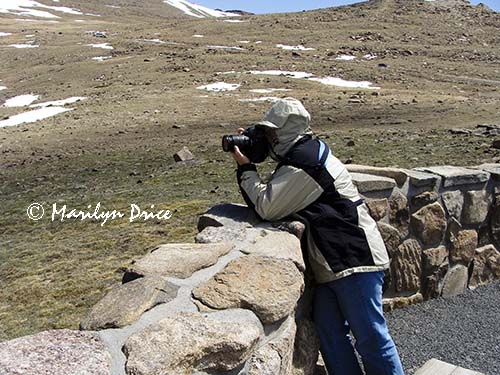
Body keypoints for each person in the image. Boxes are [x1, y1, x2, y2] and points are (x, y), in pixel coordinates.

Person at [231, 98, 405, 375]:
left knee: (371, 338)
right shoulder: (306, 153)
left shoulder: (305, 162)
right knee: (330, 336)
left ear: (288, 131)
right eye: (266, 132)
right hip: (335, 263)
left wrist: (246, 168)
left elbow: (267, 206)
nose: (269, 138)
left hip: (354, 261)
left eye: (272, 132)